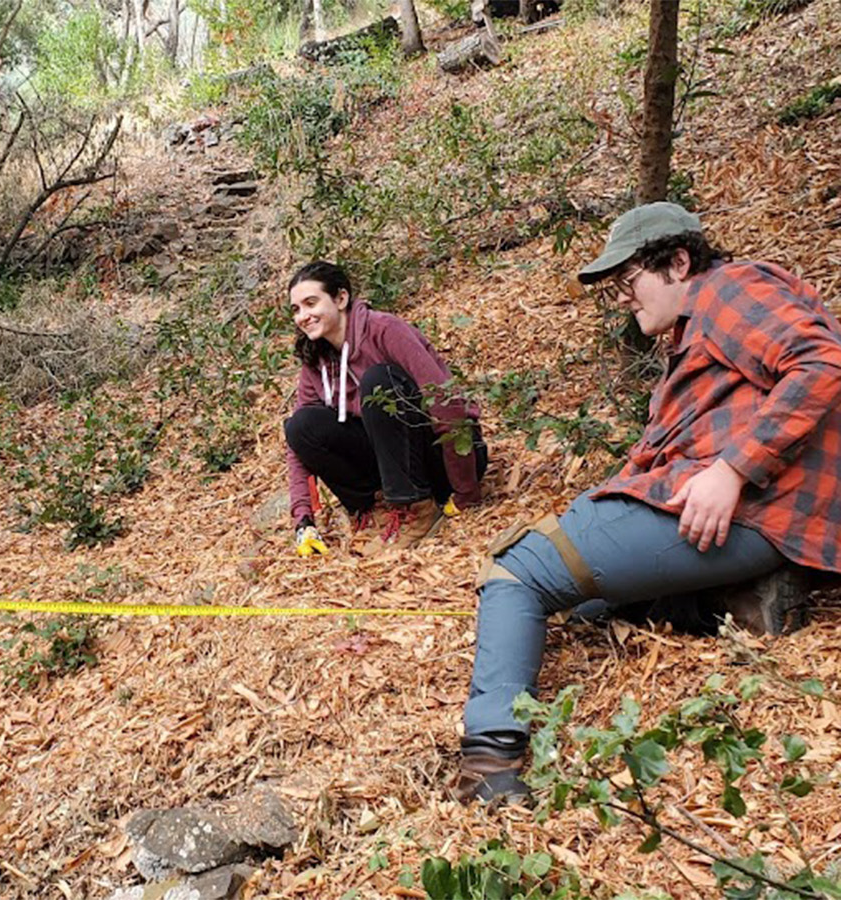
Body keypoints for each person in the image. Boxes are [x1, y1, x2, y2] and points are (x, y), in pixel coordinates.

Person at [455, 202, 841, 805]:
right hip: (763, 521)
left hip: (755, 511)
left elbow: (820, 362)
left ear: (679, 262)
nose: (625, 299)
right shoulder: (698, 333)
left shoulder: (727, 290)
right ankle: (720, 601)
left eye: (629, 281)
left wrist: (734, 470)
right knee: (585, 603)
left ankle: (489, 760)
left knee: (517, 567)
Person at [283, 261, 487, 557]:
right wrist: (303, 520)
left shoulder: (384, 330)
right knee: (300, 425)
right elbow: (297, 447)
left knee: (378, 381)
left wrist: (466, 490)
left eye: (311, 303)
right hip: (393, 465)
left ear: (341, 298)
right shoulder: (316, 361)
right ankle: (378, 508)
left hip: (442, 462)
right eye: (296, 309)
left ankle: (416, 508)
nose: (303, 316)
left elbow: (445, 401)